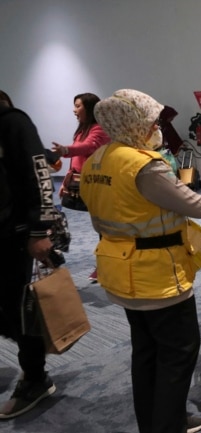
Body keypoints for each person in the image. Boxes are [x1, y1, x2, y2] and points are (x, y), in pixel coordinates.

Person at [80, 88, 201, 433]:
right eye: (152, 121)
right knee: (178, 353)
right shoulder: (144, 166)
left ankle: (155, 421)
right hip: (156, 275)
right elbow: (199, 206)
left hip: (120, 269)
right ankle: (168, 425)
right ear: (134, 122)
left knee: (146, 353)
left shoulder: (97, 161)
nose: (157, 127)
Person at [0, 93, 58, 419]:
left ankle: (35, 376)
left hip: (12, 234)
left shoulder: (13, 123)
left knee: (18, 307)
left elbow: (40, 176)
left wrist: (39, 230)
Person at [51, 93, 110, 282]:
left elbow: (87, 147)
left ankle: (107, 266)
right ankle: (105, 266)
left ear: (89, 108)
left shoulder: (99, 129)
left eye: (78, 106)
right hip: (83, 183)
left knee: (105, 227)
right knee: (100, 226)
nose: (74, 110)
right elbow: (78, 160)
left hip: (98, 185)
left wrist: (65, 150)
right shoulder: (83, 129)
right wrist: (66, 181)